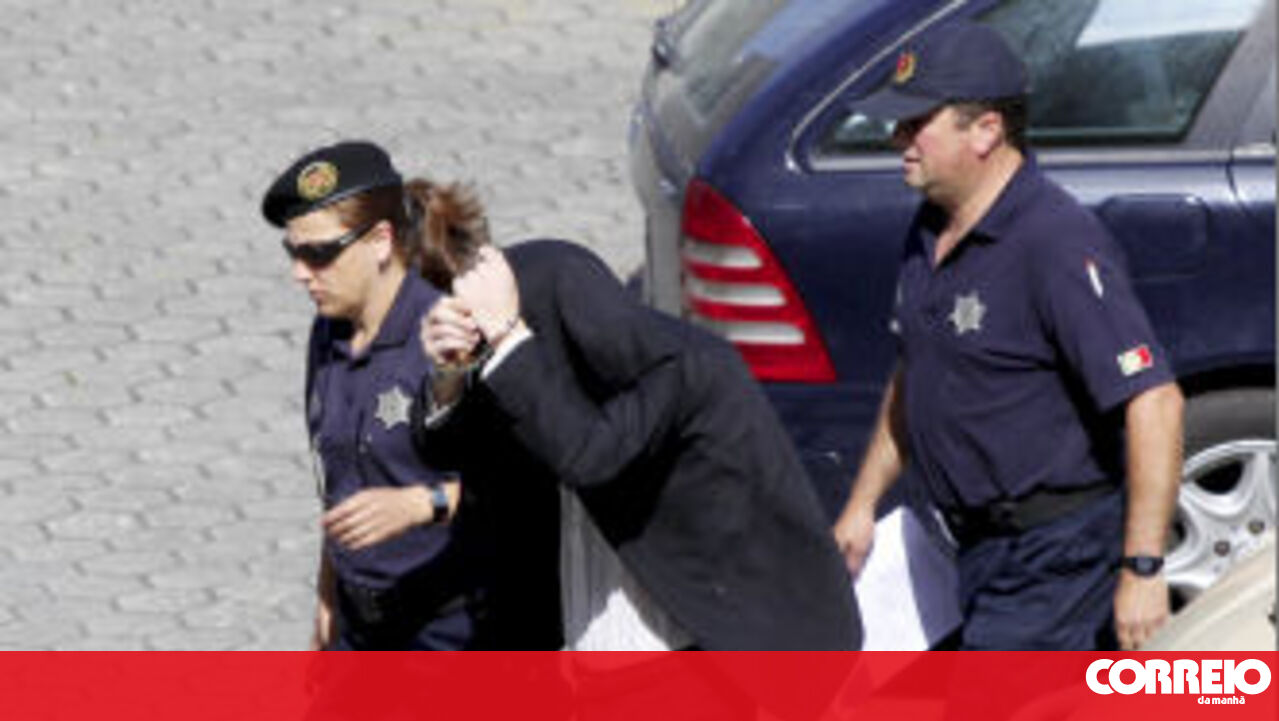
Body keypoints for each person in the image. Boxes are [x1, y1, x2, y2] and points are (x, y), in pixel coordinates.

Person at [831, 21, 1185, 651]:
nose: (897, 139)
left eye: (916, 123)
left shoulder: (1054, 241)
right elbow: (916, 371)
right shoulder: (931, 228)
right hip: (973, 551)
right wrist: (862, 505)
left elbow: (1154, 400)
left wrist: (1142, 568)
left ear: (986, 130)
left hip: (1054, 560)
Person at [411, 201, 860, 651]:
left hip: (730, 636)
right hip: (588, 626)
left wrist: (509, 337)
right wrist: (450, 375)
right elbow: (449, 448)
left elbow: (587, 454)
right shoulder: (546, 381)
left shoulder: (685, 372)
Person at [260, 140, 562, 650]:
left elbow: (528, 485)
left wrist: (423, 504)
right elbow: (338, 486)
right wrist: (327, 605)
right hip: (361, 630)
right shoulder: (329, 333)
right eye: (294, 252)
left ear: (380, 241)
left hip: (451, 638)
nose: (300, 272)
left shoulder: (450, 336)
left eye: (319, 254)